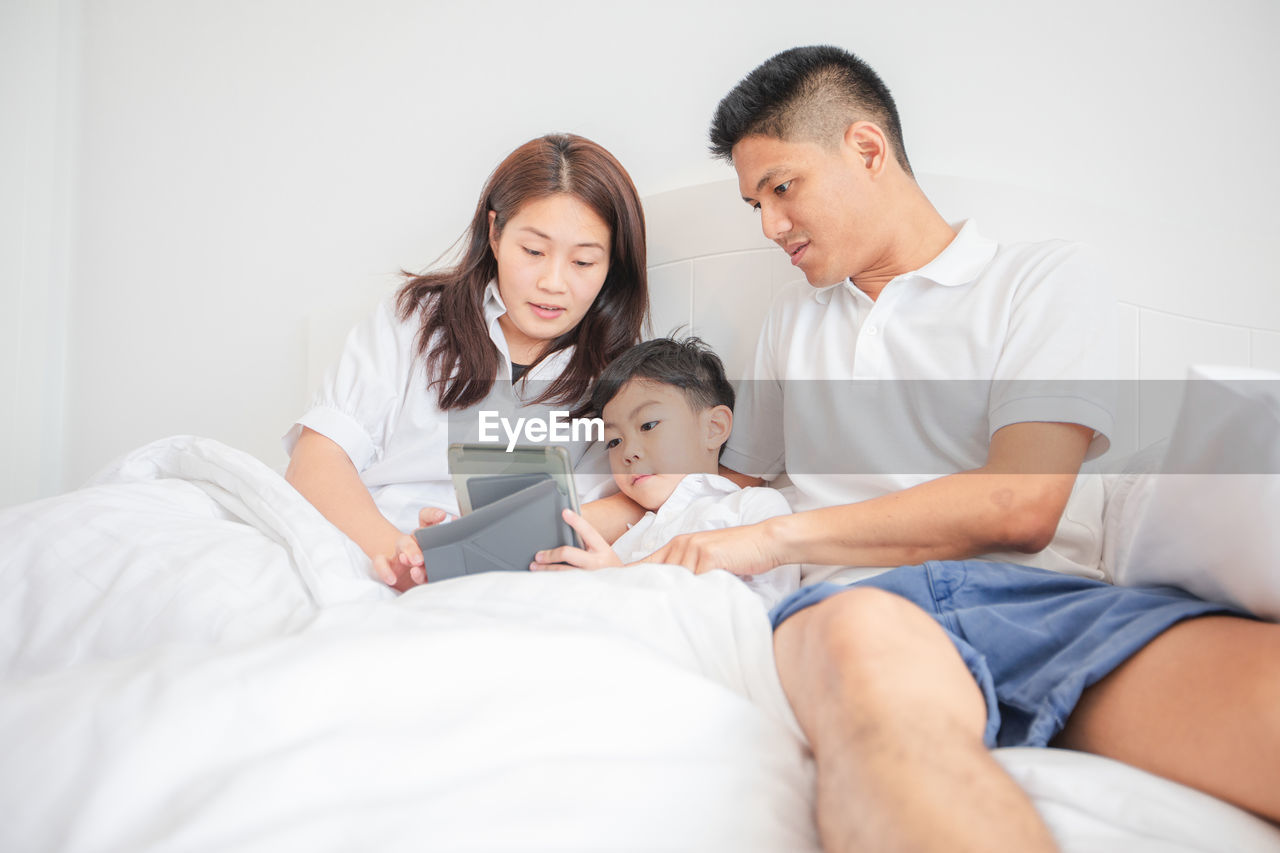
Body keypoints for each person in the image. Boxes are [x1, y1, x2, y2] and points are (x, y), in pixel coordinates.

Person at [624, 46, 1279, 851]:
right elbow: (725, 484)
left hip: (1053, 606)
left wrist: (770, 535)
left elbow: (1020, 503)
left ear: (867, 149)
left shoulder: (1042, 280)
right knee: (888, 720)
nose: (769, 226)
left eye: (782, 188)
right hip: (869, 607)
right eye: (754, 202)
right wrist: (611, 521)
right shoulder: (792, 323)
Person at [283, 133, 648, 592]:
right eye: (533, 252)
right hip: (364, 548)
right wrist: (402, 556)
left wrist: (482, 545)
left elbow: (645, 498)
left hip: (518, 576)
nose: (554, 283)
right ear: (495, 232)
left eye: (584, 262)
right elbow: (316, 459)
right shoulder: (417, 320)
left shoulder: (625, 373)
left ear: (612, 264)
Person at [386, 336, 801, 609]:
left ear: (714, 427)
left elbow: (759, 614)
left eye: (648, 426)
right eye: (614, 441)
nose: (628, 452)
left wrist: (618, 584)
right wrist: (458, 552)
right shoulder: (622, 538)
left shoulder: (753, 508)